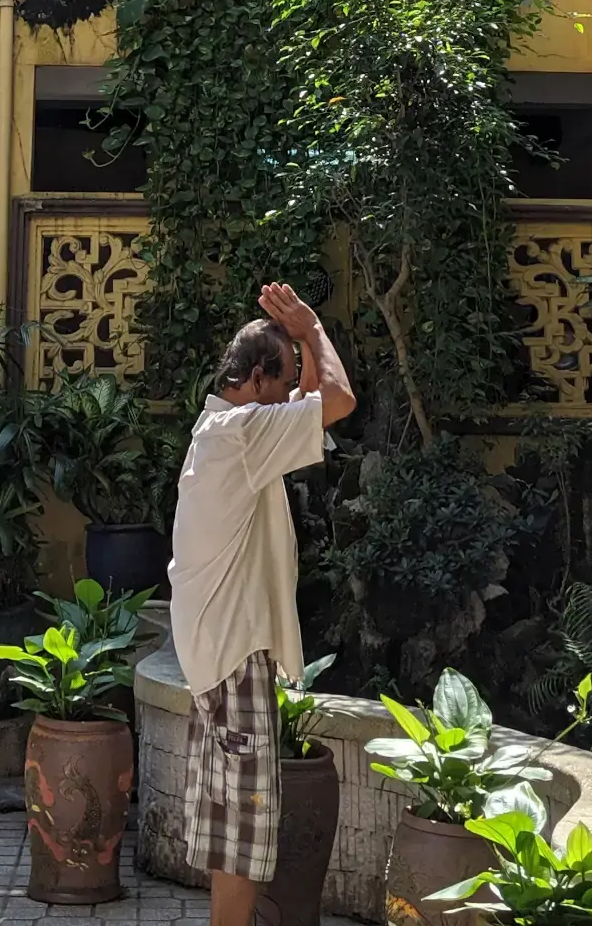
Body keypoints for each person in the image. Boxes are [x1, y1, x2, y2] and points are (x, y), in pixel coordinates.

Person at [170, 282, 355, 926]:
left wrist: (301, 343)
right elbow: (337, 399)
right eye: (280, 385)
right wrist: (311, 331)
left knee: (230, 824)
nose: (289, 398)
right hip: (231, 652)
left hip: (217, 650)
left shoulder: (223, 429)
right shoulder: (242, 436)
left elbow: (309, 398)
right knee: (246, 833)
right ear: (253, 379)